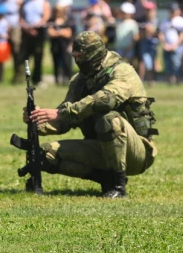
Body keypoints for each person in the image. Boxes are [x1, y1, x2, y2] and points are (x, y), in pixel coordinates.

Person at [24, 31, 158, 198]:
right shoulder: (79, 80)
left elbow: (105, 100)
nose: (77, 60)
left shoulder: (123, 72)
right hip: (100, 147)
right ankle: (105, 179)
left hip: (137, 153)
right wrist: (37, 118)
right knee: (44, 154)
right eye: (74, 56)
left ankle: (118, 186)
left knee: (109, 120)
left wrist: (63, 113)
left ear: (94, 54)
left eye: (80, 56)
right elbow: (63, 120)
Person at [19, 0, 51, 86]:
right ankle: (23, 79)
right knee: (25, 57)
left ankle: (37, 79)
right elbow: (21, 16)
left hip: (38, 33)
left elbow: (46, 16)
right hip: (27, 33)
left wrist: (35, 27)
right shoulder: (25, 2)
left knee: (38, 56)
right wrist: (27, 28)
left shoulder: (43, 2)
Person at [0, 0, 23, 83]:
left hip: (14, 28)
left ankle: (18, 76)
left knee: (16, 51)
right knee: (0, 52)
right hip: (2, 29)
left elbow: (21, 14)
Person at [48, 0, 76, 85]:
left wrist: (57, 32)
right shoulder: (51, 21)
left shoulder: (67, 21)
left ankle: (68, 79)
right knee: (56, 63)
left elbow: (68, 33)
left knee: (67, 62)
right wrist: (61, 32)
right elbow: (50, 33)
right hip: (55, 45)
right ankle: (57, 80)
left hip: (65, 45)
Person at [158, 3, 183, 85]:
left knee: (176, 64)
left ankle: (178, 81)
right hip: (167, 46)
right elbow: (161, 34)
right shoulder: (165, 21)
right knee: (168, 64)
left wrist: (176, 45)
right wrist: (164, 44)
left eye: (174, 10)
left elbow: (181, 34)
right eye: (171, 10)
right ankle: (170, 81)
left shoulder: (180, 21)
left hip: (178, 46)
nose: (172, 12)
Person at [138, 4, 158, 86]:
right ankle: (140, 81)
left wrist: (151, 30)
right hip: (144, 43)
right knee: (143, 62)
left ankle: (151, 80)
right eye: (147, 10)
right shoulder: (142, 21)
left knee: (152, 62)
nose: (148, 12)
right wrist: (145, 31)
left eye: (150, 10)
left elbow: (158, 33)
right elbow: (139, 34)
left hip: (153, 44)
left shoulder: (157, 21)